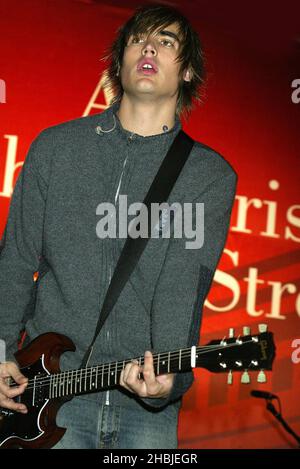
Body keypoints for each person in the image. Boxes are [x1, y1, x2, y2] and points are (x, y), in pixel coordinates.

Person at [0, 4, 237, 449]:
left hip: (144, 415)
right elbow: (15, 258)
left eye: (166, 41)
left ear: (188, 72)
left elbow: (182, 286)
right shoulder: (56, 148)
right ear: (120, 60)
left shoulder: (209, 176)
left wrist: (170, 380)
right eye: (137, 39)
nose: (149, 47)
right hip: (48, 392)